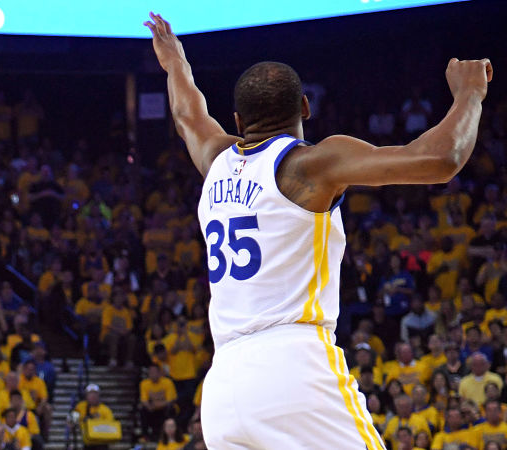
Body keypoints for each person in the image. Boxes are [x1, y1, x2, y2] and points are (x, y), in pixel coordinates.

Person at [144, 11, 492, 450]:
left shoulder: (215, 158)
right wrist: (471, 94)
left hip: (221, 387)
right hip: (292, 365)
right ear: (305, 107)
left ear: (236, 121)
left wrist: (175, 62)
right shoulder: (309, 164)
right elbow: (442, 159)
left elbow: (186, 112)